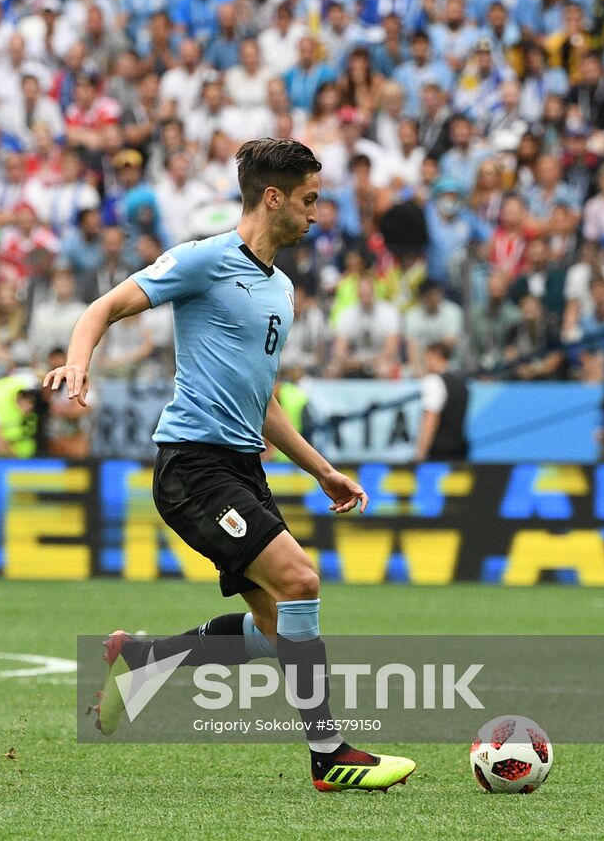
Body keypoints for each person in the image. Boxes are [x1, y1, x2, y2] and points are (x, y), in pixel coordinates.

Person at [44, 137, 414, 791]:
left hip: (243, 469)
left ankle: (144, 659)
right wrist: (80, 360)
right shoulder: (206, 260)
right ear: (272, 197)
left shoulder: (282, 291)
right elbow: (105, 308)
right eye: (307, 200)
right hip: (193, 467)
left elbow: (265, 402)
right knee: (299, 580)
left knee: (275, 630)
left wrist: (321, 469)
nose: (315, 214)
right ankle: (329, 755)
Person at [413, 343, 469, 462]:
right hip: (459, 449)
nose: (425, 362)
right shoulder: (461, 382)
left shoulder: (433, 381)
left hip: (438, 452)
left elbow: (431, 419)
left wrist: (420, 453)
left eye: (427, 357)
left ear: (436, 355)